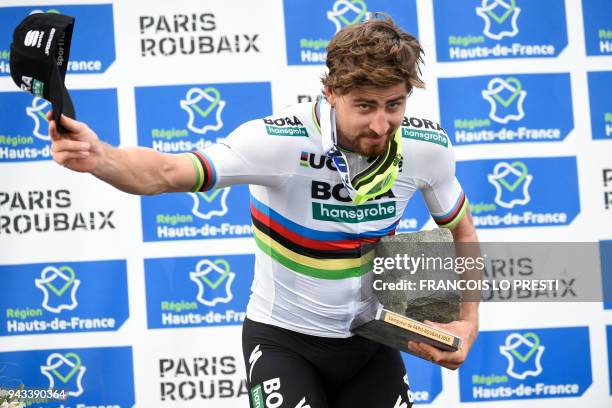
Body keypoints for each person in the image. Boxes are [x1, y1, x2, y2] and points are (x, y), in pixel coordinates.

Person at [49, 16, 478, 408]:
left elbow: (463, 233)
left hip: (371, 340)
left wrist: (467, 322)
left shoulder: (426, 147)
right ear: (330, 93)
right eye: (364, 106)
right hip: (283, 343)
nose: (381, 125)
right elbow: (167, 172)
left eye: (394, 106)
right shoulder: (278, 141)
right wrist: (100, 156)